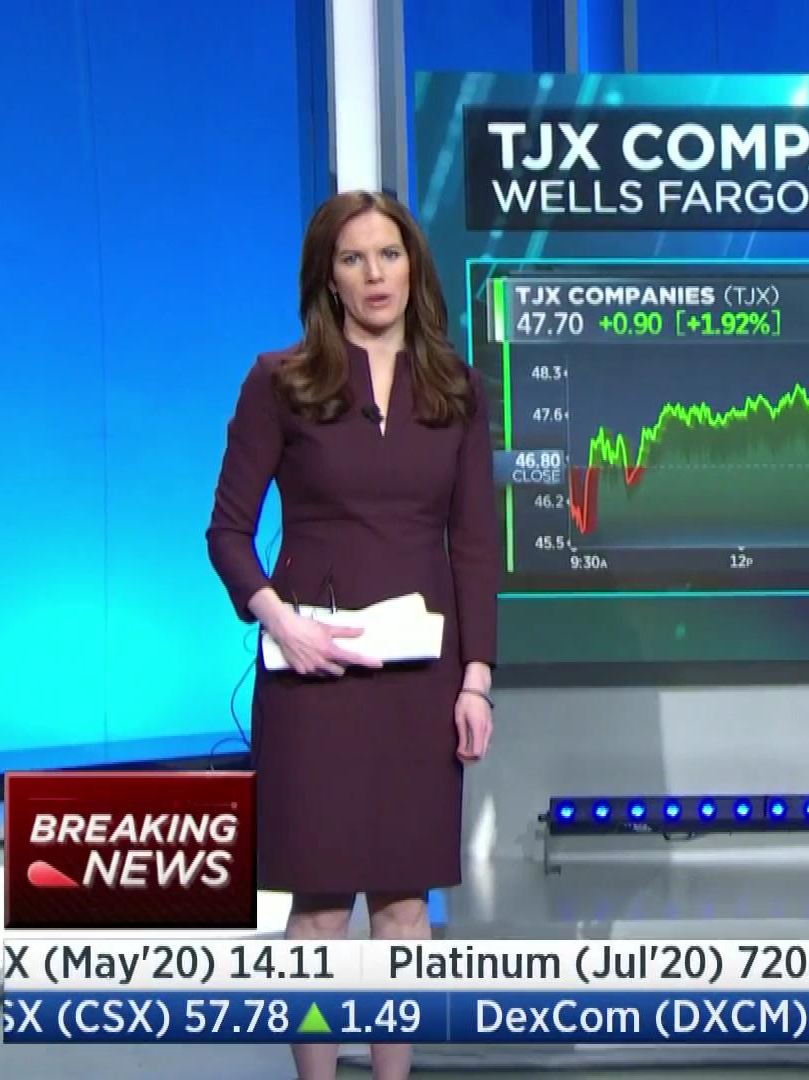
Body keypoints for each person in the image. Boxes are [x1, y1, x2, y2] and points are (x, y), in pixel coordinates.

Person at [207, 190, 500, 1080]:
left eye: (389, 255)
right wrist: (281, 621)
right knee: (321, 909)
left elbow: (474, 545)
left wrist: (477, 679)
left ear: (414, 268)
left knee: (406, 909)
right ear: (327, 280)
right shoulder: (280, 382)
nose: (375, 275)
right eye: (353, 259)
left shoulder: (457, 390)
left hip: (421, 686)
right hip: (315, 681)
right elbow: (226, 533)